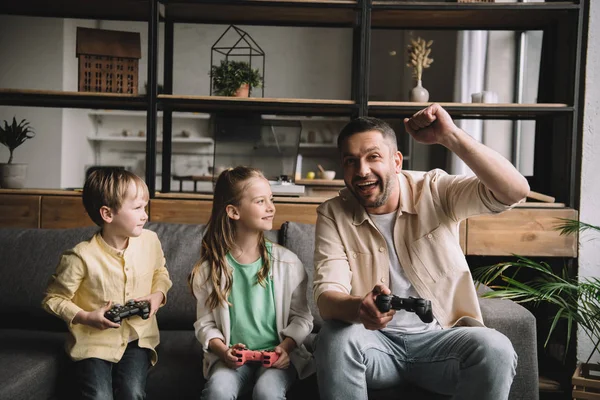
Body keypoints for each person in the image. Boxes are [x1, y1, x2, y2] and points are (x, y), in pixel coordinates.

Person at [313, 103, 530, 399]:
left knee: (497, 348)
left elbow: (514, 191)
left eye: (373, 157)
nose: (362, 171)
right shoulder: (333, 213)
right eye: (351, 161)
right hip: (375, 344)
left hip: (440, 342)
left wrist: (451, 136)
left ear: (397, 161)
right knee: (334, 339)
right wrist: (360, 308)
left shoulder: (435, 190)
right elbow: (327, 297)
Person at [42, 168, 172, 400]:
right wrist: (85, 317)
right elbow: (52, 299)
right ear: (107, 214)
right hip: (93, 343)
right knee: (99, 396)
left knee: (133, 393)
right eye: (137, 208)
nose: (145, 215)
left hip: (137, 340)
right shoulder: (80, 256)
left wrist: (158, 295)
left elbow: (160, 272)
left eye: (145, 207)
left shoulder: (150, 241)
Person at [190, 166, 314, 400]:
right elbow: (205, 324)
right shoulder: (210, 269)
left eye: (271, 199)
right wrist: (224, 352)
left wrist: (285, 349)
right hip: (232, 361)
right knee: (218, 391)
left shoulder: (287, 263)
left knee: (267, 392)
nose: (271, 207)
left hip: (276, 360)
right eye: (260, 201)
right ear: (233, 212)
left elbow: (303, 318)